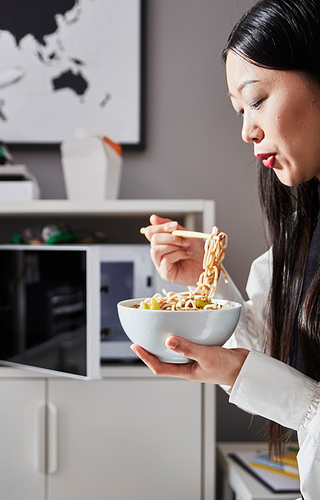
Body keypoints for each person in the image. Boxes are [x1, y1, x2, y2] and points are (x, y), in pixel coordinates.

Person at [131, 1, 320, 498]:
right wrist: (206, 280)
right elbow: (277, 356)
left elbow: (299, 400)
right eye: (240, 111)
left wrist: (258, 382)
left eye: (256, 100)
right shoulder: (304, 225)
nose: (246, 131)